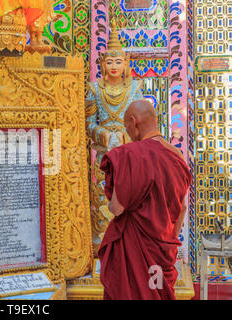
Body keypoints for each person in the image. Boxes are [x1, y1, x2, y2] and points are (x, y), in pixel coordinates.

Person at [98, 99, 191, 300]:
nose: (127, 132)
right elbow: (182, 207)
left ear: (134, 122)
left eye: (126, 126)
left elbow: (117, 208)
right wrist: (167, 240)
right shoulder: (176, 155)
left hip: (135, 252)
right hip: (162, 250)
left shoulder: (130, 155)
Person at [86, 20, 144, 253]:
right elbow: (87, 123)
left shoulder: (134, 88)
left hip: (126, 151)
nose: (113, 66)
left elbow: (140, 123)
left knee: (130, 198)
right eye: (109, 61)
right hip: (102, 154)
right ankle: (102, 244)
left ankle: (128, 244)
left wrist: (123, 136)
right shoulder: (94, 89)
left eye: (118, 61)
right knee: (102, 198)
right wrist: (102, 134)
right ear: (101, 64)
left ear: (126, 64)